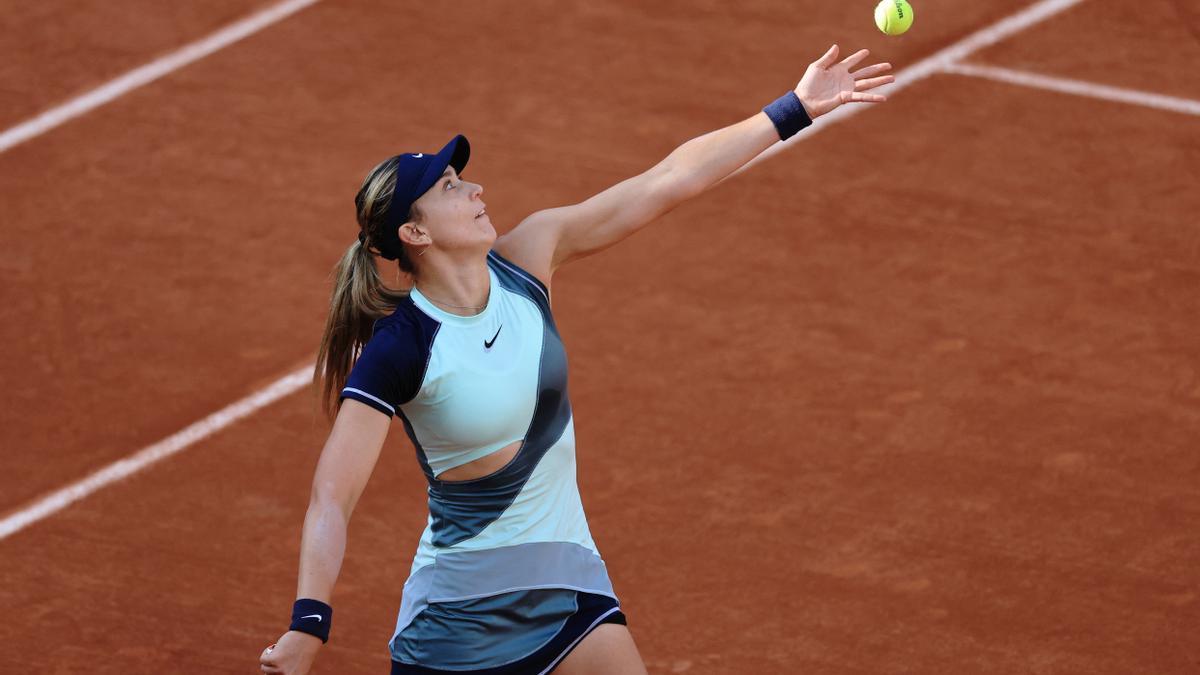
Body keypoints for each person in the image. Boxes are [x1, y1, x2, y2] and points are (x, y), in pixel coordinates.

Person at [259, 44, 893, 675]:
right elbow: (331, 498)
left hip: (569, 589)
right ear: (414, 234)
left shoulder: (528, 261)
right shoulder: (401, 349)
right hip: (458, 629)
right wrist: (309, 623)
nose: (475, 188)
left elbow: (664, 181)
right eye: (450, 188)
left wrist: (794, 109)